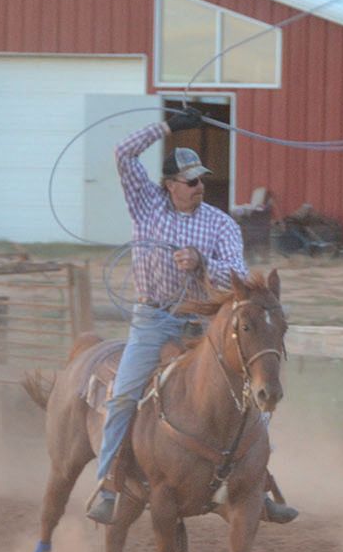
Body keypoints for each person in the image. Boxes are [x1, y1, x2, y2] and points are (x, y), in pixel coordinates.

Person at [84, 110, 298, 525]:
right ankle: (109, 484)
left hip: (204, 324)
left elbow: (236, 274)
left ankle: (259, 483)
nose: (201, 186)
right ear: (170, 186)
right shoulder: (146, 205)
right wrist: (168, 124)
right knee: (124, 394)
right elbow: (123, 154)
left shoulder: (220, 224)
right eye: (192, 181)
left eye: (202, 179)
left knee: (255, 395)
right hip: (153, 319)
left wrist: (202, 263)